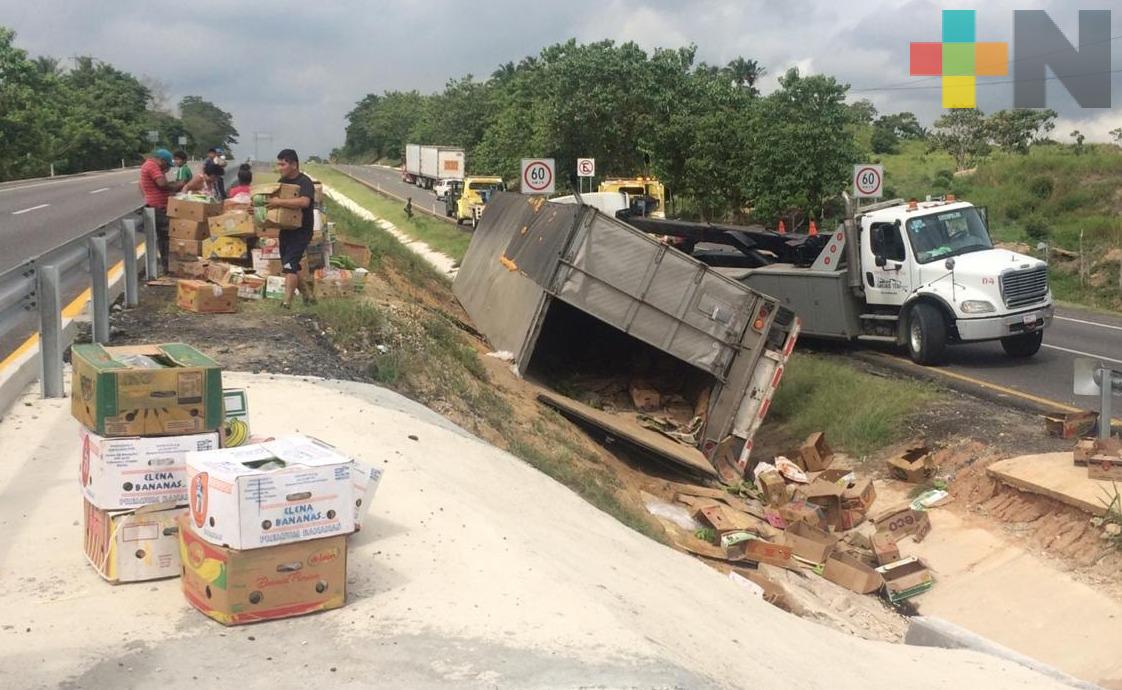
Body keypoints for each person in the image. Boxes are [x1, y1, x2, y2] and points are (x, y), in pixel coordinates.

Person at [268, 149, 317, 308]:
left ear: (294, 164)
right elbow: (273, 201)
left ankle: (286, 303)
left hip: (302, 231)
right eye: (279, 164)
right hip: (286, 229)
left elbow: (304, 202)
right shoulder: (281, 181)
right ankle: (308, 296)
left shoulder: (305, 182)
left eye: (283, 164)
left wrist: (279, 202)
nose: (280, 167)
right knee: (291, 265)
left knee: (289, 266)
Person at [138, 148, 185, 273]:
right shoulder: (152, 166)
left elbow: (142, 185)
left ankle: (169, 266)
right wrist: (176, 186)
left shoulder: (150, 166)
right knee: (166, 238)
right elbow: (162, 184)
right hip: (158, 208)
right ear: (161, 160)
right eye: (167, 164)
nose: (167, 168)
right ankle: (168, 267)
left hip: (158, 205)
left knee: (165, 238)